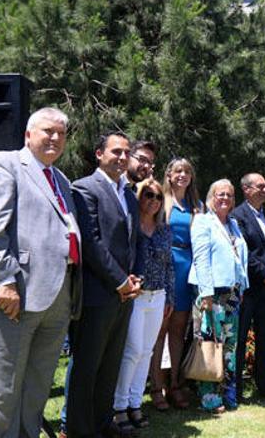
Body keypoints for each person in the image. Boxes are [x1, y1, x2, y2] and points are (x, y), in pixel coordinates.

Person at [0, 107, 81, 437]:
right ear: (28, 134)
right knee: (1, 392)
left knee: (35, 389)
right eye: (48, 131)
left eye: (61, 133)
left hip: (57, 295)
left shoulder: (60, 179)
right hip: (13, 294)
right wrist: (4, 279)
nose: (55, 138)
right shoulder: (3, 163)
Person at [68, 131, 142, 437]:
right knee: (87, 366)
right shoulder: (84, 188)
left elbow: (133, 241)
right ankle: (79, 430)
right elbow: (92, 244)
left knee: (110, 365)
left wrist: (134, 278)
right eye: (116, 152)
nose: (123, 157)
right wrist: (120, 281)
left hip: (125, 295)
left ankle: (102, 423)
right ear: (99, 154)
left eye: (127, 152)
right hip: (98, 293)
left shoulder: (128, 193)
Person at [112, 179, 174, 432]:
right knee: (133, 350)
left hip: (158, 296)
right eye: (148, 195)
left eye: (158, 197)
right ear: (138, 197)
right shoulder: (130, 226)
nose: (154, 201)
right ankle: (119, 406)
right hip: (136, 295)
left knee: (147, 352)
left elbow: (169, 264)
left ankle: (135, 404)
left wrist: (170, 297)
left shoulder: (163, 230)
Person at [189, 179, 249, 413]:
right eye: (220, 194)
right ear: (211, 197)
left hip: (233, 294)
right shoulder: (203, 222)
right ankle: (209, 397)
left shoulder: (233, 224)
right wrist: (206, 294)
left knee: (229, 347)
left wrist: (242, 287)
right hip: (211, 294)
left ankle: (228, 394)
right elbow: (201, 259)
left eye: (230, 195)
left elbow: (239, 259)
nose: (225, 198)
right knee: (210, 344)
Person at [150, 158, 202, 411]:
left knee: (179, 330)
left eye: (187, 172)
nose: (182, 175)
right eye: (177, 171)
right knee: (160, 329)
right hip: (165, 266)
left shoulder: (196, 206)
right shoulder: (162, 201)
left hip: (187, 268)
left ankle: (175, 384)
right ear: (169, 175)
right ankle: (156, 386)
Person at [232, 173, 265, 401]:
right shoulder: (237, 216)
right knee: (240, 339)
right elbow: (243, 251)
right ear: (246, 189)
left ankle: (264, 384)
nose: (264, 190)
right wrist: (264, 273)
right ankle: (236, 387)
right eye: (260, 186)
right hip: (249, 287)